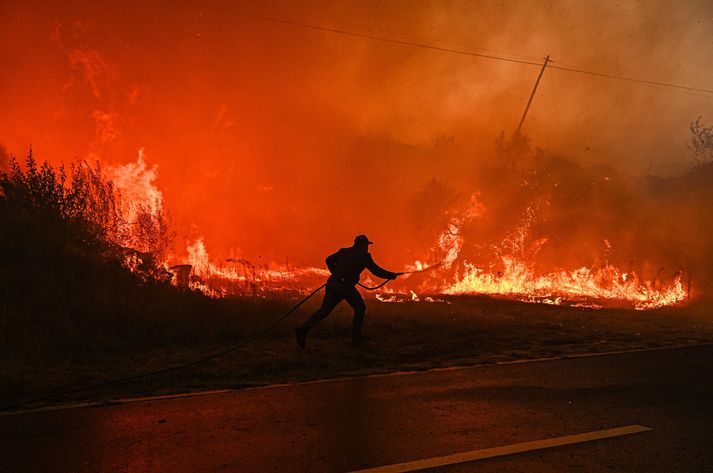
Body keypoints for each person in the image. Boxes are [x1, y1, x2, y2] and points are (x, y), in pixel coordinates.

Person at [296, 235, 400, 348]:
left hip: (333, 284)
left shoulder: (343, 251)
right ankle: (356, 339)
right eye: (366, 245)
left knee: (324, 310)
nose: (367, 247)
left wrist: (335, 273)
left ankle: (303, 329)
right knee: (360, 308)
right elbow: (376, 271)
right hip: (345, 287)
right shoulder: (364, 256)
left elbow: (328, 260)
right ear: (362, 245)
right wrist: (392, 275)